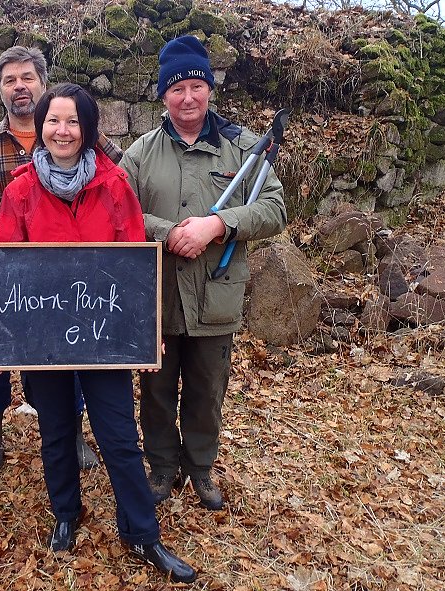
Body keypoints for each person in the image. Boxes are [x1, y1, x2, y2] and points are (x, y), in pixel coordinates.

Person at [0, 83, 197, 584]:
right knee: (56, 431)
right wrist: (0, 341)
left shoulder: (114, 186)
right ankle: (66, 512)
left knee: (119, 436)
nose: (62, 131)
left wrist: (145, 330)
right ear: (40, 126)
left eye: (73, 122)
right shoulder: (20, 192)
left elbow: (134, 264)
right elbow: (3, 268)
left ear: (88, 129)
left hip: (104, 336)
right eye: (53, 121)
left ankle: (142, 533)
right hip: (45, 338)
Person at [120, 36, 287, 509]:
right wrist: (168, 232)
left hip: (216, 294)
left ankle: (200, 467)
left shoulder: (244, 150)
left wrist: (219, 225)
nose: (188, 97)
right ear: (163, 96)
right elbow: (120, 212)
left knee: (207, 388)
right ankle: (161, 466)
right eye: (177, 89)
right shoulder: (140, 153)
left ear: (210, 89)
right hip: (159, 294)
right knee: (156, 390)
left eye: (196, 85)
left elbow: (274, 209)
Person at [0, 46, 117, 472]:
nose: (20, 87)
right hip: (5, 274)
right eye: (10, 80)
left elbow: (117, 177)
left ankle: (72, 432)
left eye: (27, 78)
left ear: (43, 84)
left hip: (68, 275)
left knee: (68, 352)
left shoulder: (82, 133)